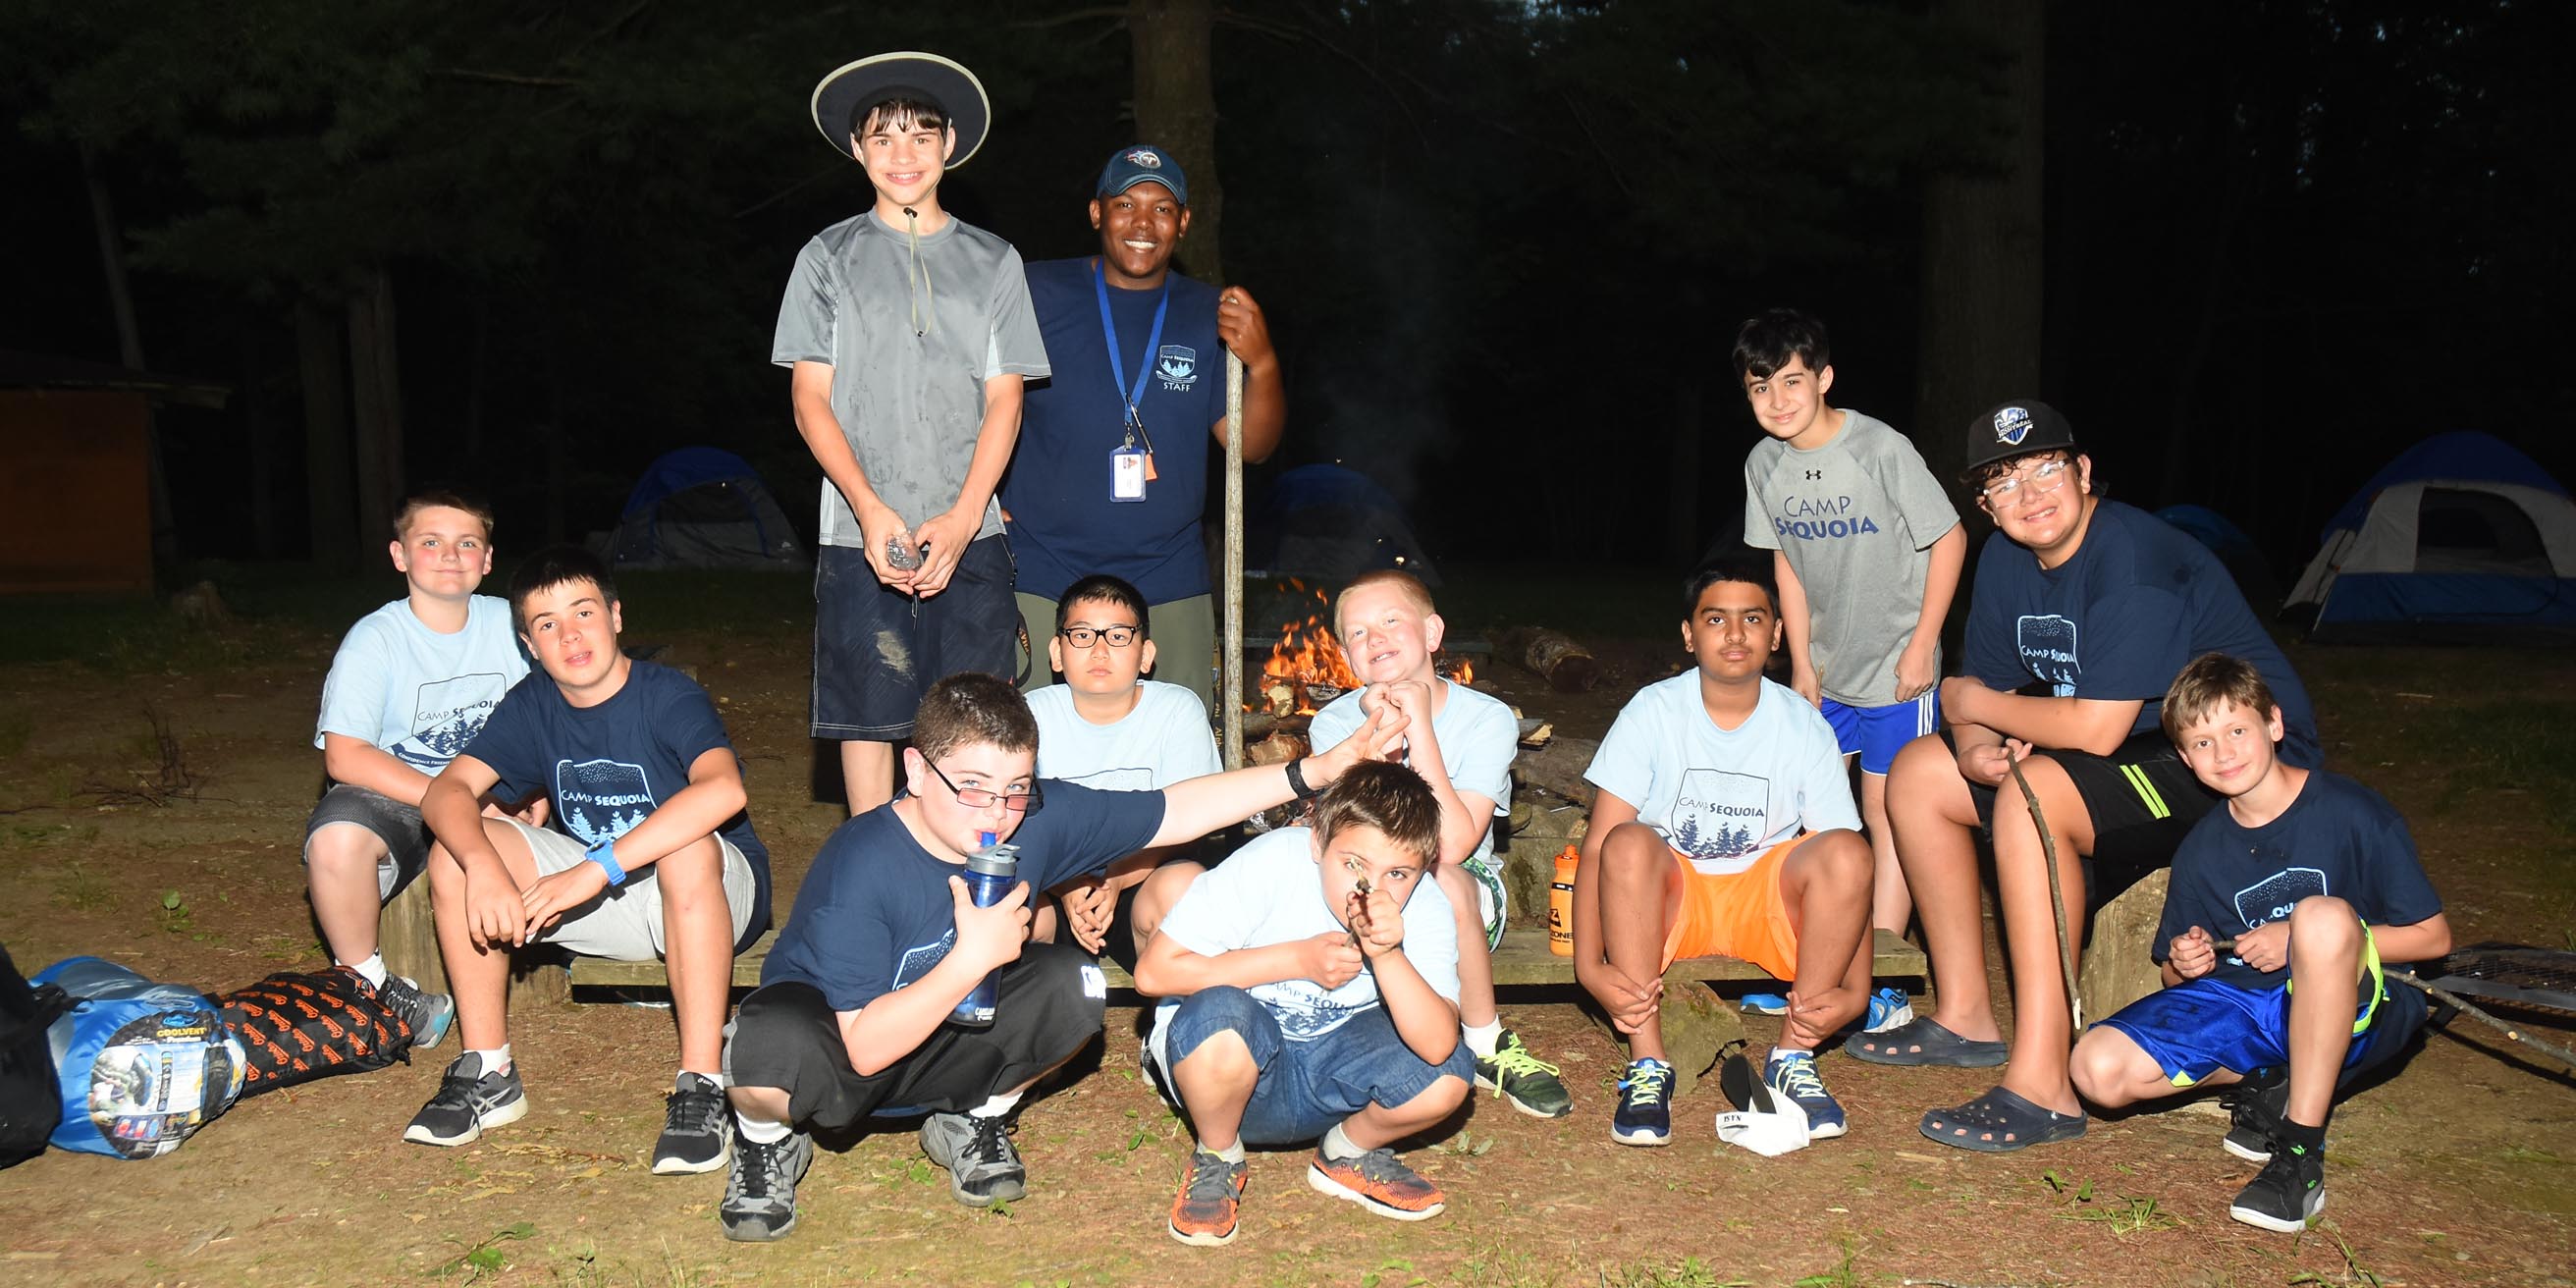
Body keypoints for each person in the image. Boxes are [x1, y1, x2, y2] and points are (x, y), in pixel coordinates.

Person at [715, 672, 1401, 1243]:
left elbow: (1174, 810)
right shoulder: (861, 862)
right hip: (843, 1046)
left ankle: (972, 1121)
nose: (999, 813)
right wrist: (969, 958)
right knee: (768, 1041)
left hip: (944, 1039)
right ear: (917, 771)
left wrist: (1313, 771)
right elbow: (862, 1049)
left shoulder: (1033, 816)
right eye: (974, 786)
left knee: (1075, 984)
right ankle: (764, 1139)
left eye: (1016, 786)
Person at [1857, 401, 2323, 1156]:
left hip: (2235, 767)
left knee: (2032, 790)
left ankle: (2043, 1083)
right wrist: (1974, 742)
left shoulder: (2134, 559)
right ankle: (1966, 1014)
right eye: (2004, 485)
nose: (2030, 495)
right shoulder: (2009, 558)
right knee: (1918, 772)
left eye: (2047, 469)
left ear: (2083, 471)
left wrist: (1968, 704)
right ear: (1984, 506)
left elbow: (2096, 725)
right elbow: (1988, 683)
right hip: (2133, 749)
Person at [403, 546, 772, 1183]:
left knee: (684, 845)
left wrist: (595, 867)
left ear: (616, 615)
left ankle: (702, 1084)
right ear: (529, 643)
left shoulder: (667, 695)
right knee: (458, 854)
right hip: (610, 896)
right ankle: (489, 1071)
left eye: (583, 612)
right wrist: (484, 865)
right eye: (547, 624)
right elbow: (446, 790)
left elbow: (723, 791)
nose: (569, 635)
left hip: (712, 888)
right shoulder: (533, 705)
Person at [2069, 653, 2447, 1232]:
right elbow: (2175, 976)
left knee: (2317, 918)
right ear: (2186, 760)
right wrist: (2185, 961)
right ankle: (2270, 1082)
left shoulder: (2351, 811)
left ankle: (2299, 1157)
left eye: (2237, 730)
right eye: (2201, 742)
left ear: (2274, 724)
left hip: (2367, 1000)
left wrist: (2302, 939)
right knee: (2096, 1068)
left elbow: (2433, 937)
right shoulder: (2201, 849)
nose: (2223, 753)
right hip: (2256, 1004)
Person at [776, 51, 1050, 815]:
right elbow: (809, 399)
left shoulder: (994, 260)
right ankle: (875, 882)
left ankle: (976, 881)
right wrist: (869, 508)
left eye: (921, 135)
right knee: (869, 716)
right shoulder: (825, 257)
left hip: (970, 528)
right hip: (859, 529)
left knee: (977, 723)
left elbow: (1006, 400)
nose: (904, 154)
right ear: (858, 149)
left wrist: (965, 519)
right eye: (884, 137)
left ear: (950, 143)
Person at [1572, 558, 1875, 1146]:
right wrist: (1591, 968)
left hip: (1765, 901)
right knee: (1627, 840)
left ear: (1777, 634)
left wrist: (1855, 992)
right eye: (1715, 619)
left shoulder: (1804, 725)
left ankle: (1793, 1057)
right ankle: (1647, 1061)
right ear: (1689, 635)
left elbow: (1851, 864)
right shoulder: (1653, 710)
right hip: (1672, 900)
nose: (1735, 635)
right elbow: (1596, 851)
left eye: (1752, 619)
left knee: (1843, 848)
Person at [1000, 143, 1285, 710]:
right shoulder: (1033, 293)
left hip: (1167, 568)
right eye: (1126, 203)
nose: (1142, 223)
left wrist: (1264, 362)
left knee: (1179, 743)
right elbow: (966, 395)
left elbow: (1249, 447)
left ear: (1183, 222)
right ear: (1096, 213)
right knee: (1025, 741)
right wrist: (975, 494)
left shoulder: (1211, 311)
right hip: (1040, 561)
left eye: (1161, 208)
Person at [1139, 762, 1472, 1245]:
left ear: (1422, 868)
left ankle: (1347, 1151)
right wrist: (1295, 959)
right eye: (1354, 864)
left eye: (1397, 873)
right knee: (1221, 1018)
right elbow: (1154, 972)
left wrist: (1388, 954)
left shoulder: (1424, 905)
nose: (1371, 889)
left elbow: (1439, 1045)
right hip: (1230, 1077)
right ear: (1317, 842)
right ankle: (1217, 1155)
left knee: (1447, 1075)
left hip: (1331, 1079)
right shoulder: (1272, 863)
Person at [1303, 569, 1573, 1117]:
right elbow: (1353, 833)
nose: (1374, 639)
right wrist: (1378, 735)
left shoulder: (1487, 719)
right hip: (1361, 881)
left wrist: (1419, 727)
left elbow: (1450, 844)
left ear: (1432, 633)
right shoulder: (1332, 724)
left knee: (1443, 879)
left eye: (1391, 622)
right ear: (1345, 655)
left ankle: (1486, 1040)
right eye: (1357, 633)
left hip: (1465, 889)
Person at [1734, 308, 1963, 945]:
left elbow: (1949, 539)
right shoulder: (1763, 466)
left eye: (1790, 381)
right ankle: (1815, 951)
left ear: (1824, 377)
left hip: (1896, 668)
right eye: (1760, 387)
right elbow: (1789, 569)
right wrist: (1802, 665)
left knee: (1888, 815)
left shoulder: (1878, 449)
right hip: (1827, 673)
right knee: (1811, 812)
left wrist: (1922, 649)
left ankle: (1885, 959)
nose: (1776, 400)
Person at [305, 492, 528, 1046]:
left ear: (489, 558)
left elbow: (569, 708)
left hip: (500, 791)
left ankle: (625, 949)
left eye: (467, 543)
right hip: (403, 795)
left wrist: (536, 785)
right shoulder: (374, 640)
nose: (450, 555)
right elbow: (346, 755)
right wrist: (448, 796)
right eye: (431, 542)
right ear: (400, 555)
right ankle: (373, 989)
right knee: (336, 841)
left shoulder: (514, 624)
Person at [1023, 573, 1221, 954]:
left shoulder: (1176, 710)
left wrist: (1114, 879)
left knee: (1185, 884)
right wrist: (1068, 886)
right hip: (1055, 882)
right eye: (1082, 635)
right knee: (1016, 907)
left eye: (1117, 636)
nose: (1099, 651)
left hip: (1140, 877)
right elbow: (1016, 822)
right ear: (1056, 653)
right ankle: (1036, 1005)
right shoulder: (1030, 715)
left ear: (1146, 655)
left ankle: (1182, 1010)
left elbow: (1190, 820)